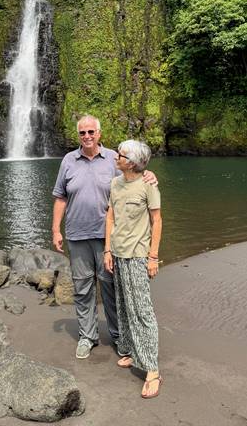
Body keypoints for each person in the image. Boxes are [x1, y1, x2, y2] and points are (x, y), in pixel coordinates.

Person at [52, 115, 156, 359]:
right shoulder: (68, 160)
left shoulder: (113, 158)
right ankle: (87, 336)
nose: (87, 136)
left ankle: (119, 335)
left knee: (111, 287)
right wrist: (56, 230)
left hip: (109, 237)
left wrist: (150, 175)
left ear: (99, 133)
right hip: (77, 235)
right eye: (82, 133)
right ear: (77, 135)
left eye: (91, 132)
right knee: (82, 287)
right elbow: (60, 197)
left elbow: (136, 172)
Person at [104, 139, 163, 399]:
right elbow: (111, 217)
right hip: (117, 253)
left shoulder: (148, 185)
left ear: (132, 162)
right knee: (124, 305)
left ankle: (152, 369)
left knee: (142, 310)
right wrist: (107, 250)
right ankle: (130, 351)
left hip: (138, 256)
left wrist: (153, 257)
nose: (117, 156)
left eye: (121, 154)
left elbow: (157, 221)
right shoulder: (115, 184)